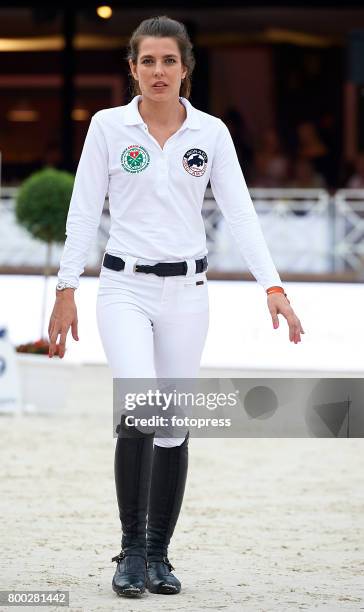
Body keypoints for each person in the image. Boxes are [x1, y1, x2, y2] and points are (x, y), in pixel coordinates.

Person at [47, 15, 305, 599]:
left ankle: (160, 554)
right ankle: (130, 553)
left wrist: (274, 287)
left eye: (169, 61)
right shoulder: (108, 128)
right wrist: (66, 289)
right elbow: (85, 212)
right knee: (140, 405)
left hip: (188, 293)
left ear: (186, 68)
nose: (158, 72)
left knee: (172, 425)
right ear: (132, 68)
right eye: (147, 61)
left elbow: (239, 213)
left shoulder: (211, 133)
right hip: (124, 288)